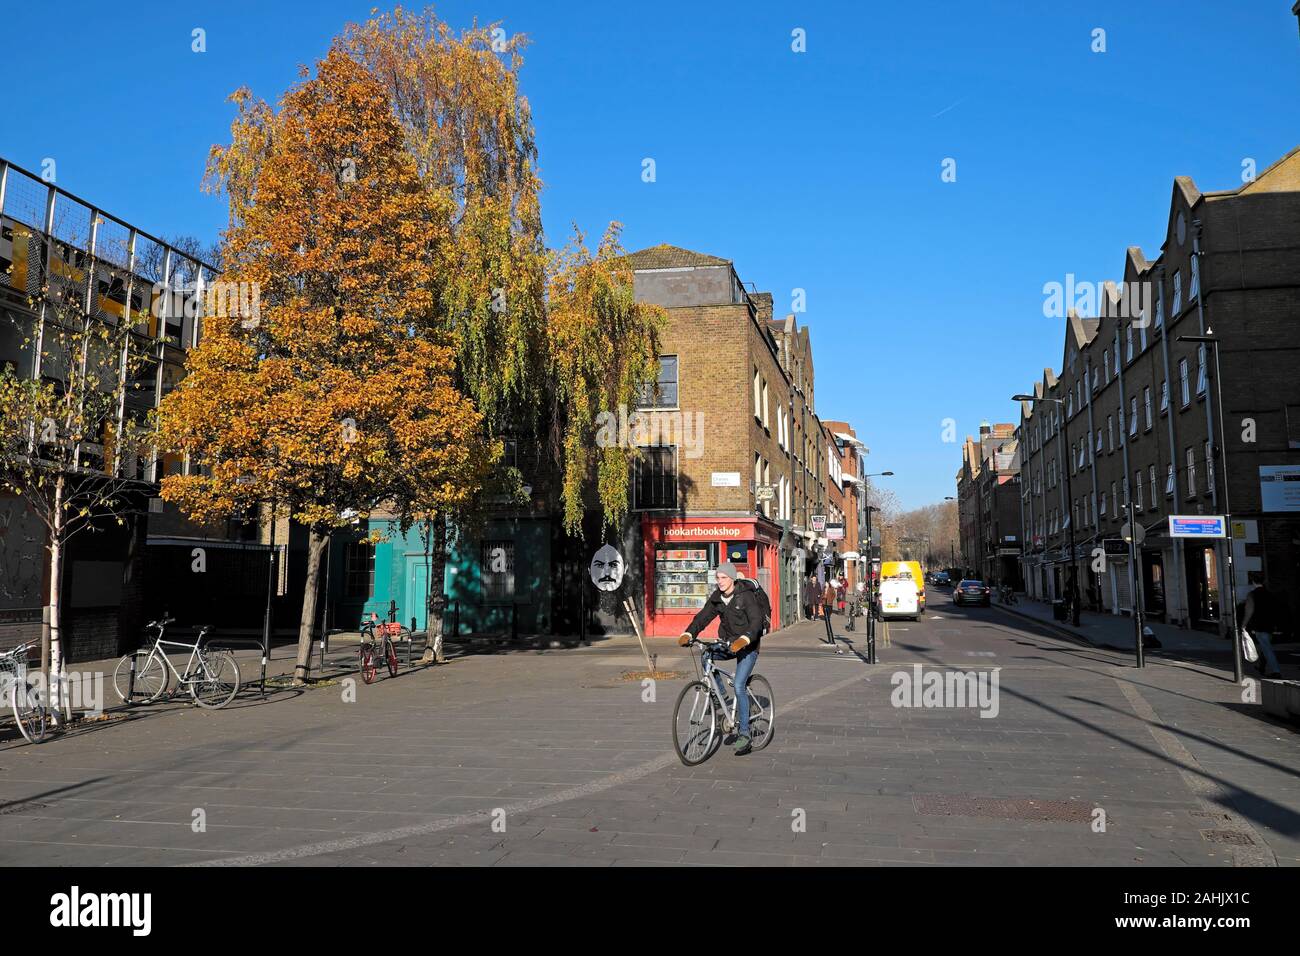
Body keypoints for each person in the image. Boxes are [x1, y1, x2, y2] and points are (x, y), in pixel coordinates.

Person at [678, 563, 766, 755]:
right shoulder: (717, 598)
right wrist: (689, 633)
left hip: (748, 646)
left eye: (724, 578)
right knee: (706, 654)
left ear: (733, 578)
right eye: (718, 578)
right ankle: (721, 699)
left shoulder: (746, 596)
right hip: (728, 644)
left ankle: (744, 734)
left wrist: (745, 638)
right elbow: (702, 617)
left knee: (739, 686)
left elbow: (757, 621)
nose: (720, 582)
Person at [1241, 572, 1283, 678]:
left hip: (1259, 625)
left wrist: (1243, 625)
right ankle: (1261, 666)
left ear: (1253, 582)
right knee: (1265, 645)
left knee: (1266, 647)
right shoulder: (1270, 594)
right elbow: (1276, 610)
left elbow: (1249, 611)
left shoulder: (1252, 595)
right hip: (1270, 625)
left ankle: (1276, 671)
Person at [821, 578, 837, 644]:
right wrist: (823, 597)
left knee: (829, 612)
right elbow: (821, 595)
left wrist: (831, 600)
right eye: (825, 583)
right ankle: (827, 618)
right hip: (824, 603)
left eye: (827, 583)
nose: (826, 584)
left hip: (829, 604)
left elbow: (834, 595)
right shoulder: (824, 589)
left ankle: (828, 618)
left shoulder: (831, 588)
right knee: (826, 614)